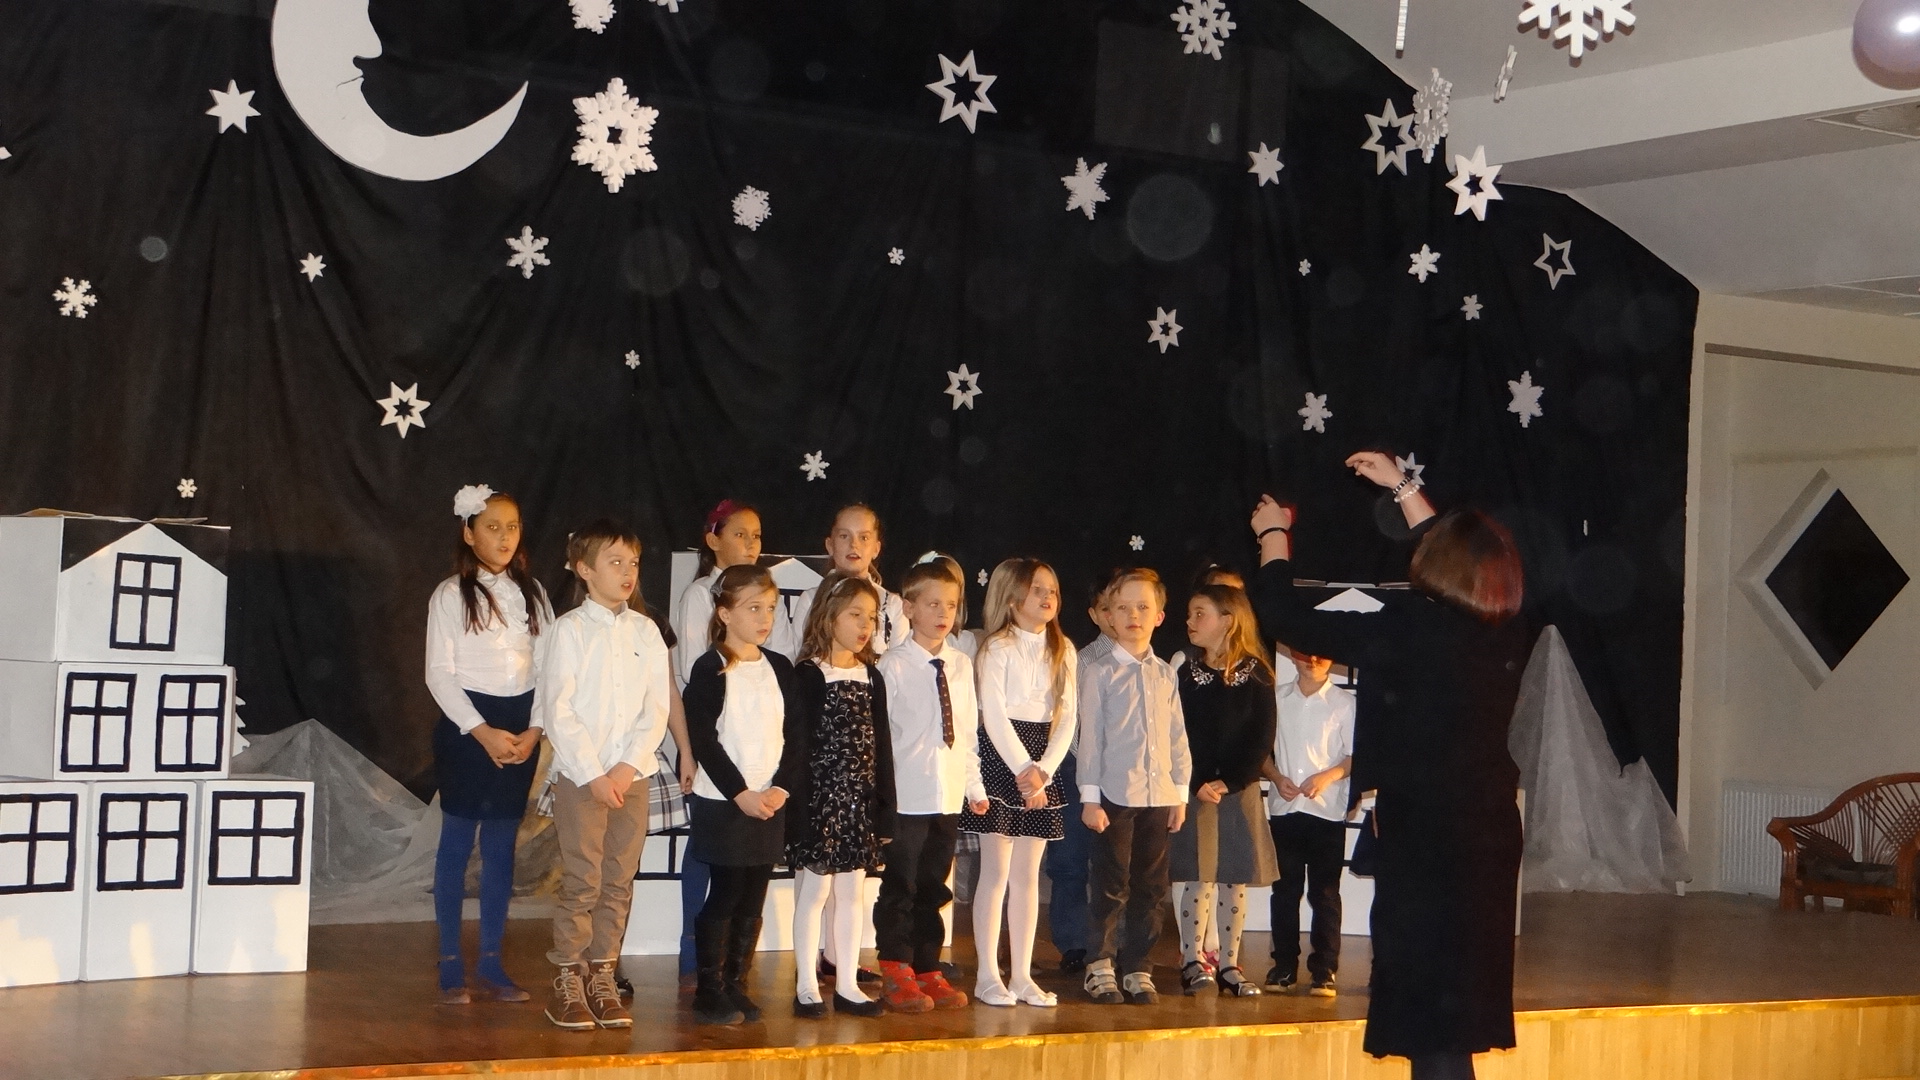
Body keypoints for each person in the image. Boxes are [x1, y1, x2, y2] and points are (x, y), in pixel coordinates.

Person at [1248, 451, 1528, 1080]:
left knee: (1430, 1017)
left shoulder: (1408, 627)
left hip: (1428, 835)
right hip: (1486, 830)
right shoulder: (1503, 625)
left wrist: (1274, 535)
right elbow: (1456, 555)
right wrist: (1403, 488)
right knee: (1454, 1009)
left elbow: (1286, 616)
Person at [535, 520, 672, 1030]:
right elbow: (558, 709)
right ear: (584, 570)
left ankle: (603, 975)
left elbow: (656, 706)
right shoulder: (569, 630)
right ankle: (568, 978)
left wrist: (626, 765)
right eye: (614, 562)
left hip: (631, 775)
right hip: (582, 778)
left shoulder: (646, 631)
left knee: (618, 880)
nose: (627, 572)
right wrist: (594, 773)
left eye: (632, 563)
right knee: (582, 880)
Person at [424, 486, 550, 1006]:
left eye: (512, 527)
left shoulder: (533, 592)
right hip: (468, 728)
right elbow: (439, 674)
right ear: (468, 532)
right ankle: (450, 961)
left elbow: (549, 668)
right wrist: (481, 731)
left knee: (501, 846)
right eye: (492, 527)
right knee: (457, 843)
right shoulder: (450, 594)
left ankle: (493, 962)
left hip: (521, 727)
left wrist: (535, 729)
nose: (504, 537)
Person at [683, 564, 807, 1026]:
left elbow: (796, 735)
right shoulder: (710, 667)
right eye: (753, 608)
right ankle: (709, 989)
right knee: (726, 892)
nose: (764, 618)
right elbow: (704, 739)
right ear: (724, 613)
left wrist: (780, 788)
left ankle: (736, 981)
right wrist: (740, 793)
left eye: (770, 609)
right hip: (726, 802)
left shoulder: (779, 667)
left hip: (770, 802)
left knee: (754, 894)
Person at [961, 558, 1077, 1008]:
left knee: (1028, 877)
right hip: (1003, 756)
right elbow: (992, 714)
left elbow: (1067, 717)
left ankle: (1023, 975)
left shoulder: (1063, 649)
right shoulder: (997, 648)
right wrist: (1023, 768)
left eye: (1052, 589)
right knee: (996, 873)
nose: (1047, 597)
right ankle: (988, 974)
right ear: (1012, 598)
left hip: (1042, 761)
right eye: (1036, 589)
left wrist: (1043, 770)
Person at [872, 561, 985, 1012]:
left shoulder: (960, 664)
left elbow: (967, 731)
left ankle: (926, 965)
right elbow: (881, 739)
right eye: (933, 604)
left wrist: (974, 787)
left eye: (951, 605)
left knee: (934, 884)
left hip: (946, 795)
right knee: (900, 884)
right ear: (909, 608)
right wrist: (882, 799)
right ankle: (895, 966)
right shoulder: (893, 665)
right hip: (907, 795)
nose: (943, 613)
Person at [1076, 568, 1191, 1006]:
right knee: (1111, 883)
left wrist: (1179, 793)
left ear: (1159, 616)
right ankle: (1100, 965)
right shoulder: (1099, 672)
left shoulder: (1165, 674)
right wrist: (1090, 798)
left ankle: (1139, 966)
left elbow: (1177, 736)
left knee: (1152, 886)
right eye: (1122, 608)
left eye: (1143, 607)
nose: (1133, 616)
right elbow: (1091, 739)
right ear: (1108, 615)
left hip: (1158, 796)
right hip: (1114, 795)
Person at [786, 572, 895, 1019]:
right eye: (855, 615)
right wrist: (797, 809)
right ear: (830, 617)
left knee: (852, 893)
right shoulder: (809, 675)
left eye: (871, 617)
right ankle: (806, 984)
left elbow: (882, 747)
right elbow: (796, 748)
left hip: (858, 806)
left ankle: (847, 983)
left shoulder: (872, 676)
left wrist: (884, 810)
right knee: (813, 893)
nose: (865, 625)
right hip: (819, 804)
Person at [1169, 583, 1278, 998]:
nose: (1190, 621)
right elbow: (1177, 733)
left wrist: (1231, 780)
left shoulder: (1258, 674)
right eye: (1190, 613)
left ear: (1228, 621)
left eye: (1200, 613)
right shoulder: (1186, 673)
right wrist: (1196, 780)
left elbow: (1261, 737)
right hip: (1198, 790)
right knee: (1198, 876)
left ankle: (1230, 964)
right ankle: (1192, 959)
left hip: (1237, 790)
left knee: (1234, 877)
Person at [669, 500, 762, 983]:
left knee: (739, 846)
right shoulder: (699, 594)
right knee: (704, 842)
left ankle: (730, 956)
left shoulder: (762, 593)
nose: (750, 544)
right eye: (740, 534)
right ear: (713, 540)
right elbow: (692, 668)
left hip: (755, 738)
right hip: (714, 731)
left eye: (756, 536)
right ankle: (693, 943)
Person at [1262, 647, 1355, 997]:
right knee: (1284, 891)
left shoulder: (1345, 703)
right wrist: (1275, 776)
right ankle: (1283, 965)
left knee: (1325, 892)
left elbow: (1355, 755)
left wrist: (1328, 776)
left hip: (1326, 810)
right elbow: (1260, 749)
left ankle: (1324, 968)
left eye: (1321, 654)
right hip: (1285, 808)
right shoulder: (1275, 698)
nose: (1312, 661)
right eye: (1305, 653)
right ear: (1292, 654)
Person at [1045, 573, 1115, 975]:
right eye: (1107, 608)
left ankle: (1112, 945)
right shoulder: (1082, 659)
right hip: (1075, 766)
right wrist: (1087, 763)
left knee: (1116, 866)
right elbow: (1068, 718)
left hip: (1123, 774)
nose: (1117, 616)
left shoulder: (1150, 665)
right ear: (1094, 614)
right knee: (1069, 862)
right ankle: (1072, 943)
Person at [775, 503, 909, 659]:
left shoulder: (892, 605)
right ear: (830, 545)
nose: (854, 544)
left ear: (876, 549)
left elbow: (901, 664)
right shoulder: (812, 599)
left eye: (864, 538)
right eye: (844, 536)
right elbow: (800, 657)